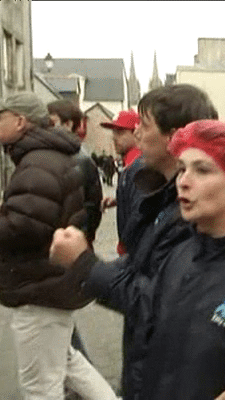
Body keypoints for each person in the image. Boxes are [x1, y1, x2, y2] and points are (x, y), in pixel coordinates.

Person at [54, 120, 225, 400]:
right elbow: (147, 314)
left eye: (202, 170)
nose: (183, 181)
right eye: (182, 169)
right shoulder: (182, 250)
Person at [48, 84, 219, 399]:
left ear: (174, 137)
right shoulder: (163, 196)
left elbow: (152, 301)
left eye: (144, 124)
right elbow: (142, 261)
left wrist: (84, 264)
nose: (135, 132)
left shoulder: (191, 213)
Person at [0, 92, 117, 399]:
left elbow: (24, 226)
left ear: (20, 121)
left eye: (2, 117)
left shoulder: (37, 161)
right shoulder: (50, 155)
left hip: (38, 285)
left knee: (40, 387)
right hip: (52, 281)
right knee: (67, 362)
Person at [47, 99, 104, 370]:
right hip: (63, 244)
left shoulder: (78, 160)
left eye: (53, 121)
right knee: (57, 319)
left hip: (65, 246)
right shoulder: (65, 156)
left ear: (68, 124)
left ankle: (82, 380)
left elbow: (91, 206)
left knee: (57, 317)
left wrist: (80, 239)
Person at [99, 110, 143, 255]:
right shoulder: (130, 163)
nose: (114, 138)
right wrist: (119, 200)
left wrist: (125, 247)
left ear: (136, 133)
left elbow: (140, 212)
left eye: (120, 132)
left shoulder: (136, 166)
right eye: (114, 132)